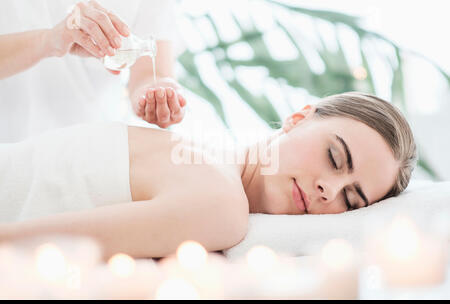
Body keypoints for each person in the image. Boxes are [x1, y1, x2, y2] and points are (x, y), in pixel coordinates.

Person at [0, 92, 417, 260]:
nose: (331, 189)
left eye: (352, 200)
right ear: (297, 118)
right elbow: (22, 246)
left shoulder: (201, 159)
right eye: (333, 156)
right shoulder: (220, 201)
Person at [0, 0, 186, 142]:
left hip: (87, 149)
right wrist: (47, 41)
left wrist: (156, 95)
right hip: (9, 141)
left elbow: (150, 74)